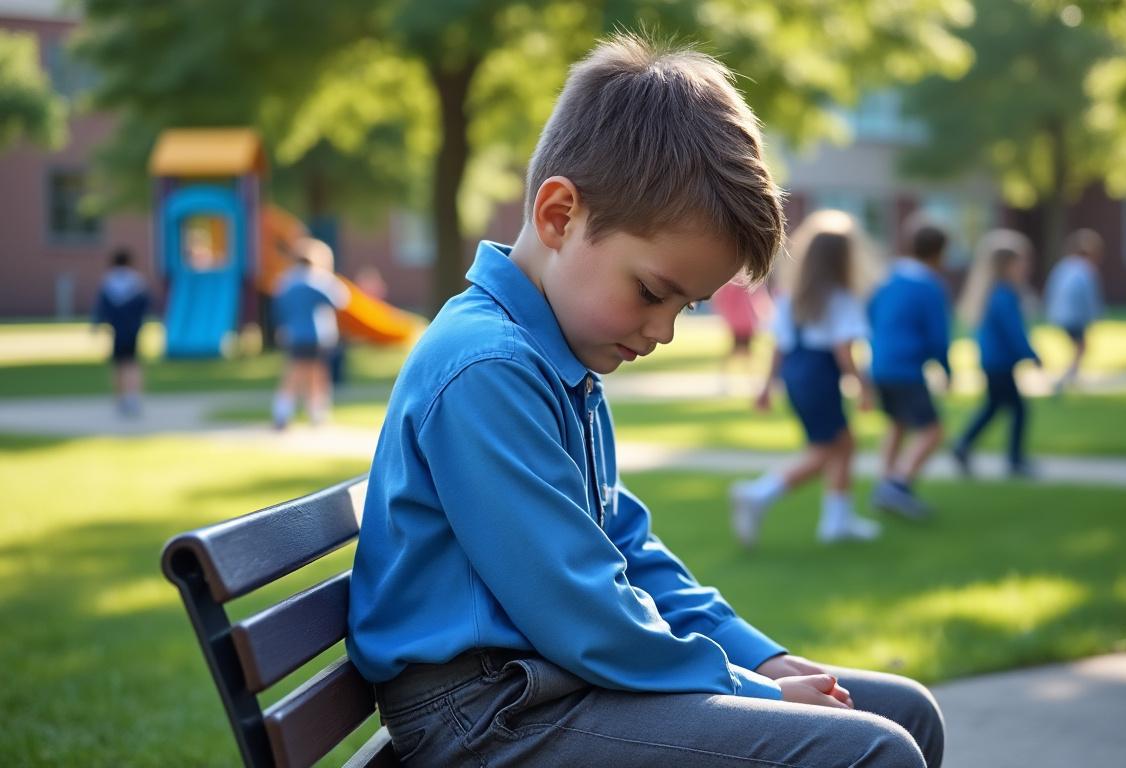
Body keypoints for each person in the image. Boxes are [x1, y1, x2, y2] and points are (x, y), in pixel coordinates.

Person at [347, 35, 943, 768]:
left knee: (905, 712)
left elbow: (626, 549)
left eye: (687, 307)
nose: (662, 330)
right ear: (560, 215)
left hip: (548, 686)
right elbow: (583, 612)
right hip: (487, 718)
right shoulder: (489, 369)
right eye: (654, 292)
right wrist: (747, 688)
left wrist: (767, 659)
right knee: (873, 754)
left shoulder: (550, 356)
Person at [730, 210, 881, 548]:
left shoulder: (790, 296)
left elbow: (779, 347)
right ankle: (759, 493)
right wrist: (863, 388)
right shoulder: (841, 297)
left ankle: (837, 521)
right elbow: (845, 350)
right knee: (831, 448)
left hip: (796, 376)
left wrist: (766, 387)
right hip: (821, 375)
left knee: (841, 444)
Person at [866, 222, 952, 520]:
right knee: (933, 430)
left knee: (897, 422)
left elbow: (871, 315)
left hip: (880, 364)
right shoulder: (929, 285)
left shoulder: (888, 278)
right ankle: (898, 484)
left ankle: (885, 482)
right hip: (906, 368)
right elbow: (938, 335)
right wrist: (946, 368)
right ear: (940, 252)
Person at [951, 230, 1041, 478]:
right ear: (1007, 265)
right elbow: (1014, 331)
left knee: (993, 407)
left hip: (993, 361)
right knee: (1018, 410)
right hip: (999, 362)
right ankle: (1014, 459)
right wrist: (1031, 355)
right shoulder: (1003, 295)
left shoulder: (993, 293)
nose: (1025, 268)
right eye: (1020, 263)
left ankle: (963, 445)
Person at [270, 237, 350, 429]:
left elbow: (279, 307)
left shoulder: (286, 281)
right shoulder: (317, 280)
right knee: (317, 374)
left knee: (293, 373)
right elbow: (340, 300)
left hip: (294, 334)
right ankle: (317, 414)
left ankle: (282, 412)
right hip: (316, 334)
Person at [91, 248, 152, 417]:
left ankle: (120, 399)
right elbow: (145, 304)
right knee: (132, 363)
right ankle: (133, 397)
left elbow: (101, 307)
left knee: (118, 365)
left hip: (117, 330)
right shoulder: (137, 281)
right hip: (133, 329)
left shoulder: (109, 281)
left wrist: (96, 325)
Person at [1044, 228, 1105, 394]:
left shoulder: (1063, 266)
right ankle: (1066, 379)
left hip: (1061, 314)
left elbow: (1052, 290)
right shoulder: (1085, 269)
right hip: (1074, 316)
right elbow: (1087, 296)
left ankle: (1072, 376)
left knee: (1079, 347)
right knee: (1081, 347)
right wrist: (1094, 315)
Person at [711, 272, 772, 385]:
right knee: (742, 351)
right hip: (745, 321)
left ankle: (728, 377)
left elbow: (720, 299)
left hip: (740, 321)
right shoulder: (744, 281)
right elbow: (758, 299)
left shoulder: (733, 282)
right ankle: (749, 379)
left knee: (740, 350)